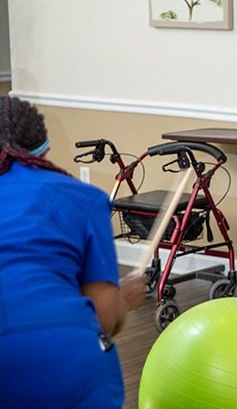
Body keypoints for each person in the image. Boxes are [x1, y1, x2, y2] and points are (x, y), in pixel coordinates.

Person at [0, 96, 147, 408]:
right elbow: (104, 317)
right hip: (63, 359)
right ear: (42, 152)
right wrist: (125, 297)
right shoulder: (84, 198)